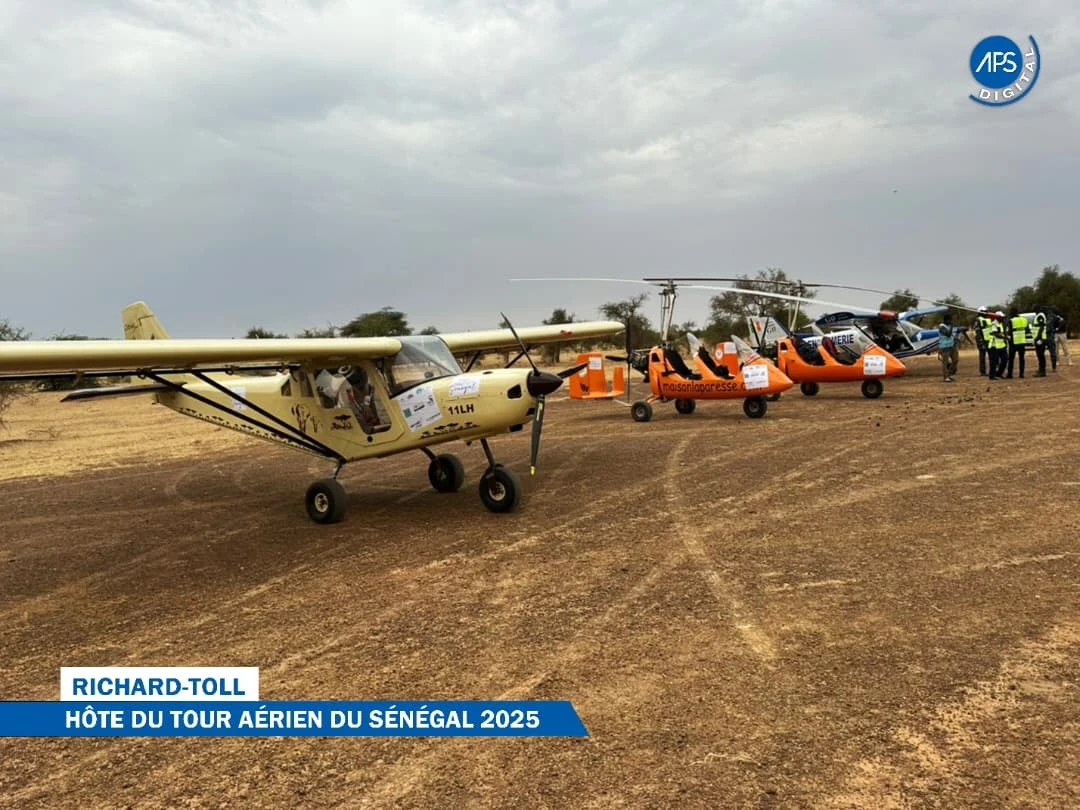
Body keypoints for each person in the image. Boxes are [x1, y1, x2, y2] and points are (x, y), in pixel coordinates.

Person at [1005, 306, 1030, 379]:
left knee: (1011, 359)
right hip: (1022, 341)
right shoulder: (1024, 320)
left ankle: (1010, 374)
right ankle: (1021, 374)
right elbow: (1027, 329)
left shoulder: (1011, 320)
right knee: (1022, 358)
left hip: (1013, 342)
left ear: (1012, 313)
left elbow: (1009, 331)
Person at [988, 312, 1008, 379]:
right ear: (998, 317)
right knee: (994, 361)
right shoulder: (994, 324)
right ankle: (992, 375)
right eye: (1002, 317)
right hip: (994, 345)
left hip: (1001, 345)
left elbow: (1003, 332)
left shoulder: (1001, 323)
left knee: (1005, 359)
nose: (1003, 318)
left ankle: (999, 373)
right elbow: (996, 334)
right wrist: (1005, 337)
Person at [937, 316, 957, 381]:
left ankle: (949, 374)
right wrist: (951, 326)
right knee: (945, 363)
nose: (951, 322)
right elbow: (948, 334)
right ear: (946, 320)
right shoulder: (941, 326)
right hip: (944, 347)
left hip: (952, 345)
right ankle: (946, 377)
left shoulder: (948, 326)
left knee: (955, 360)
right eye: (950, 320)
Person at [1031, 306, 1049, 377]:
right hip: (1039, 338)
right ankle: (1041, 369)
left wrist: (1038, 337)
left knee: (1040, 355)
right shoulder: (1039, 316)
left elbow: (1041, 327)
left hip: (1040, 339)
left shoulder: (1040, 316)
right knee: (1039, 355)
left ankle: (1042, 371)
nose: (1033, 309)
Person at [973, 306, 991, 376]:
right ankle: (983, 371)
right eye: (984, 311)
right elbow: (977, 331)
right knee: (982, 356)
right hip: (982, 341)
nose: (986, 312)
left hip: (988, 339)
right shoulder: (978, 320)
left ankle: (992, 370)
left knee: (991, 356)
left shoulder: (987, 319)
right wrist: (981, 341)